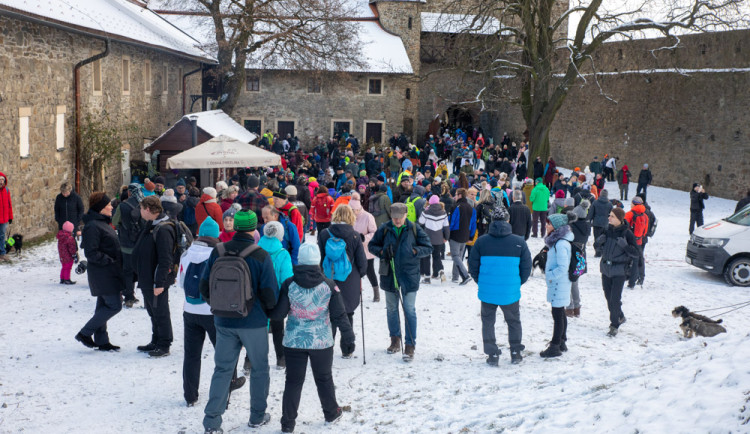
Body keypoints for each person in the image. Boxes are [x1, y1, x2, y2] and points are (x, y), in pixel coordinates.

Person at [199, 210, 279, 432]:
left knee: (223, 369)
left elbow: (204, 287)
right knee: (260, 368)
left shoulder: (218, 251)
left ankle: (212, 421)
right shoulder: (261, 255)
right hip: (253, 322)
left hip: (223, 321)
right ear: (255, 228)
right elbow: (270, 295)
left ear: (234, 227)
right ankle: (257, 416)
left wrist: (221, 306)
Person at [269, 243, 354, 433]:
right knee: (324, 378)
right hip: (321, 341)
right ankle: (331, 413)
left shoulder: (289, 284)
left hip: (294, 340)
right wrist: (348, 336)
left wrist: (267, 309)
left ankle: (288, 423)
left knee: (293, 381)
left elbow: (279, 314)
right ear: (318, 261)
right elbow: (339, 315)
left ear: (299, 260)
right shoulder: (329, 285)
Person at [177, 217, 245, 407]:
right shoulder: (220, 254)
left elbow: (181, 282)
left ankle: (190, 395)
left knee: (191, 354)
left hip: (190, 311)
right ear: (216, 235)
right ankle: (229, 386)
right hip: (215, 312)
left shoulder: (187, 253)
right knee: (224, 353)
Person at [368, 203, 433, 361]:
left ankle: (410, 344)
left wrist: (415, 251)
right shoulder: (384, 228)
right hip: (389, 274)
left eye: (400, 218)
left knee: (409, 309)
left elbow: (428, 247)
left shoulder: (414, 228)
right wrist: (382, 251)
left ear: (405, 215)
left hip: (409, 275)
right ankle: (395, 339)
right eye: (394, 218)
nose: (397, 221)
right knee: (391, 309)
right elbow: (372, 245)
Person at [468, 206, 531, 365]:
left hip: (488, 291)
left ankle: (492, 354)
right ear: (508, 220)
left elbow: (472, 265)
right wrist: (516, 282)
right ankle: (516, 352)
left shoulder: (481, 241)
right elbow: (526, 268)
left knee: (488, 322)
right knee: (513, 321)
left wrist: (481, 281)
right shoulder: (519, 242)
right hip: (510, 290)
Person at [75, 192, 123, 352]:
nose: (111, 207)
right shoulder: (93, 226)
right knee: (115, 305)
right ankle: (84, 333)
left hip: (108, 272)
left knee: (103, 306)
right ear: (100, 208)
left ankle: (102, 340)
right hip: (103, 273)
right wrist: (110, 261)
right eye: (108, 204)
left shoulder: (101, 223)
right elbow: (91, 253)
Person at [318, 205, 367, 356]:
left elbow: (319, 256)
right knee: (348, 313)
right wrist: (361, 273)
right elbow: (362, 262)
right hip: (349, 280)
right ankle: (347, 348)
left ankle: (327, 347)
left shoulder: (324, 233)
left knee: (330, 314)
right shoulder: (354, 235)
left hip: (329, 278)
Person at [133, 196, 176, 358]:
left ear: (148, 210)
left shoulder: (163, 229)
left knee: (161, 311)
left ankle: (164, 344)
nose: (140, 212)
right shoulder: (152, 225)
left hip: (156, 279)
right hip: (147, 277)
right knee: (152, 311)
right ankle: (156, 339)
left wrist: (160, 283)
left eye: (142, 209)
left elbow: (166, 259)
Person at [594, 207, 639, 337]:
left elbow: (636, 253)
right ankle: (620, 316)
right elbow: (597, 247)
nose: (609, 218)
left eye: (612, 216)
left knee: (614, 299)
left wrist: (625, 246)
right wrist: (598, 242)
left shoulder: (627, 233)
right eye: (610, 215)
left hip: (619, 271)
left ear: (620, 219)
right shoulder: (607, 230)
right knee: (608, 298)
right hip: (605, 269)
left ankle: (614, 325)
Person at [259, 221, 295, 368]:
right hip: (276, 297)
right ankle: (281, 358)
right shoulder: (283, 254)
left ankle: (250, 360)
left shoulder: (256, 250)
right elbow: (286, 278)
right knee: (278, 329)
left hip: (258, 297)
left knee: (258, 329)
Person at [540, 212, 576, 358]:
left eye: (549, 224)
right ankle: (561, 341)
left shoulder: (560, 244)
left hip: (558, 282)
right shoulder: (558, 241)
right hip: (559, 282)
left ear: (556, 227)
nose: (546, 225)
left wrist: (549, 275)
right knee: (560, 312)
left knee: (557, 313)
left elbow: (562, 267)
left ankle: (555, 346)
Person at [113, 183, 143, 307]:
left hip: (126, 244)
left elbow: (114, 221)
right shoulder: (145, 204)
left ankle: (129, 297)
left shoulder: (123, 206)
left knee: (128, 271)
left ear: (129, 192)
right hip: (142, 244)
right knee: (142, 270)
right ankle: (148, 298)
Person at [350, 199, 380, 302]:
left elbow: (374, 233)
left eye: (353, 210)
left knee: (369, 271)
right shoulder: (349, 217)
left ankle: (376, 292)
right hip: (353, 249)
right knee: (354, 272)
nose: (351, 213)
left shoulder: (368, 216)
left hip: (366, 249)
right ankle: (357, 292)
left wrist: (363, 238)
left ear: (358, 209)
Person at [566, 200, 590, 318]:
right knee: (575, 283)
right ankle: (577, 307)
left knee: (568, 282)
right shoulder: (587, 226)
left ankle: (569, 308)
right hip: (580, 257)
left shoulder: (572, 227)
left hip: (571, 257)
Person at [418, 195, 450, 284]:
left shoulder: (426, 212)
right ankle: (441, 271)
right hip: (439, 238)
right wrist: (446, 237)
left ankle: (427, 278)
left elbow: (421, 222)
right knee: (437, 256)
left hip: (427, 238)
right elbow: (446, 226)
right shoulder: (443, 212)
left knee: (426, 257)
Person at [449, 188, 476, 285]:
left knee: (455, 256)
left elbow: (452, 222)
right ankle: (455, 276)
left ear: (460, 195)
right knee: (459, 256)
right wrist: (471, 237)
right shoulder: (471, 208)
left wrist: (448, 233)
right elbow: (473, 224)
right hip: (466, 235)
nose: (455, 196)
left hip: (456, 234)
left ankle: (465, 275)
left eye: (456, 194)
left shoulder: (456, 206)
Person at [624, 196, 650, 288]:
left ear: (633, 204)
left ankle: (625, 276)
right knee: (638, 260)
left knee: (625, 258)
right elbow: (645, 231)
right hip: (639, 241)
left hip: (628, 242)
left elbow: (624, 228)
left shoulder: (629, 214)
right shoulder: (645, 216)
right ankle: (638, 279)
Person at [588, 189, 613, 257]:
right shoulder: (609, 204)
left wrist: (589, 221)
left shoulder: (595, 202)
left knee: (597, 238)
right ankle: (602, 250)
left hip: (596, 223)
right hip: (605, 224)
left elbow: (591, 213)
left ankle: (598, 251)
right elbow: (612, 214)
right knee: (604, 238)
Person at [0, 172, 14, 262]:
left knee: (2, 236)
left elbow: (9, 205)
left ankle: (2, 254)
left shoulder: (7, 191)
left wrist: (10, 217)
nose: (1, 182)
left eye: (2, 180)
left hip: (4, 219)